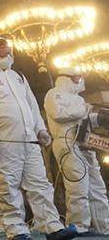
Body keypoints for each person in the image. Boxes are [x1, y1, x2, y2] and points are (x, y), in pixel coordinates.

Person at [0, 36, 77, 240]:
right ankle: (17, 231)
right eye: (1, 49)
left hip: (29, 141)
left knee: (40, 184)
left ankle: (52, 227)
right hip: (3, 142)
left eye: (8, 48)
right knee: (8, 185)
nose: (7, 52)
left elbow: (31, 106)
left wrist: (40, 130)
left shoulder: (19, 77)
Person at [44, 67, 109, 235]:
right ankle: (78, 226)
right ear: (66, 78)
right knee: (77, 185)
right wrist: (84, 110)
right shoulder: (54, 94)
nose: (80, 81)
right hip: (66, 143)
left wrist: (100, 119)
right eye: (77, 78)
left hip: (84, 142)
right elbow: (58, 113)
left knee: (97, 186)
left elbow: (85, 120)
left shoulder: (80, 100)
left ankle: (104, 226)